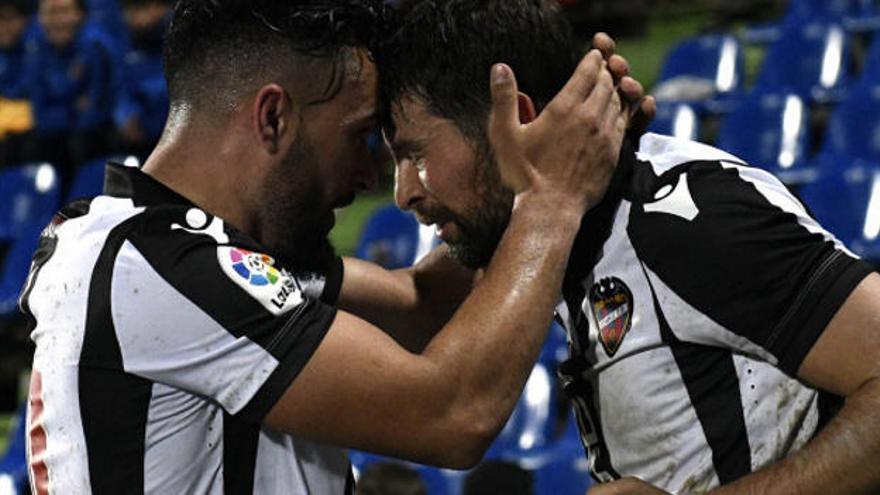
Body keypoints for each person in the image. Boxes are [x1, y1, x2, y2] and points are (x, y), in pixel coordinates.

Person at [20, 1, 642, 493]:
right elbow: (454, 414)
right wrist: (552, 194)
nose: (369, 177)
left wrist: (544, 162)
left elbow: (422, 303)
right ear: (273, 119)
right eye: (359, 137)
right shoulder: (159, 270)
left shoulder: (176, 246)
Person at [355, 0, 880, 493]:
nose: (404, 192)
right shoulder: (564, 226)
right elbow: (417, 302)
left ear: (514, 116)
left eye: (414, 153)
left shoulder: (684, 218)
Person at [113, 0, 171, 160]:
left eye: (140, 9)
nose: (133, 18)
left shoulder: (182, 38)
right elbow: (122, 89)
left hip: (174, 127)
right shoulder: (127, 43)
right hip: (143, 131)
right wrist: (127, 115)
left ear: (160, 7)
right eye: (129, 11)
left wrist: (147, 94)